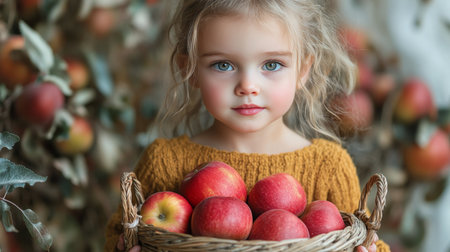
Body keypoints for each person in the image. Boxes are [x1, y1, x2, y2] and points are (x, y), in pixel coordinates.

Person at [105, 1, 390, 251]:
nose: (248, 86)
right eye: (223, 65)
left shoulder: (328, 167)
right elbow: (119, 235)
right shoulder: (164, 163)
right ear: (189, 69)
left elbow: (366, 239)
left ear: (303, 70)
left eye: (272, 64)